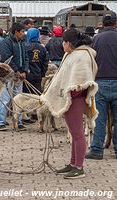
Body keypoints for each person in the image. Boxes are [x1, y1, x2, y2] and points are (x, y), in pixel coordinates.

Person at [41, 28, 98, 179]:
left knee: (78, 134)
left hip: (76, 99)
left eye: (64, 42)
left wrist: (68, 95)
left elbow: (82, 81)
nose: (62, 45)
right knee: (74, 133)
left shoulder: (82, 56)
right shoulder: (72, 54)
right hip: (70, 98)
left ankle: (79, 167)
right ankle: (73, 164)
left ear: (68, 43)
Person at [86, 11, 117, 160]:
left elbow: (91, 60)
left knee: (99, 118)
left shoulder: (97, 39)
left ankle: (97, 150)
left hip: (101, 83)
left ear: (103, 24)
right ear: (116, 24)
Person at [0, 22, 29, 131]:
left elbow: (26, 58)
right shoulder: (6, 42)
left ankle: (18, 121)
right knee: (5, 99)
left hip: (19, 76)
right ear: (16, 32)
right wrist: (16, 70)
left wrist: (24, 71)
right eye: (22, 31)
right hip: (8, 76)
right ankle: (1, 122)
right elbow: (6, 58)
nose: (24, 34)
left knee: (18, 99)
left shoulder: (22, 43)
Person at [24, 28, 48, 93]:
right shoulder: (42, 48)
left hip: (26, 76)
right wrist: (42, 74)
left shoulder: (24, 46)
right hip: (37, 76)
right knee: (36, 96)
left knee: (26, 96)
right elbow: (45, 63)